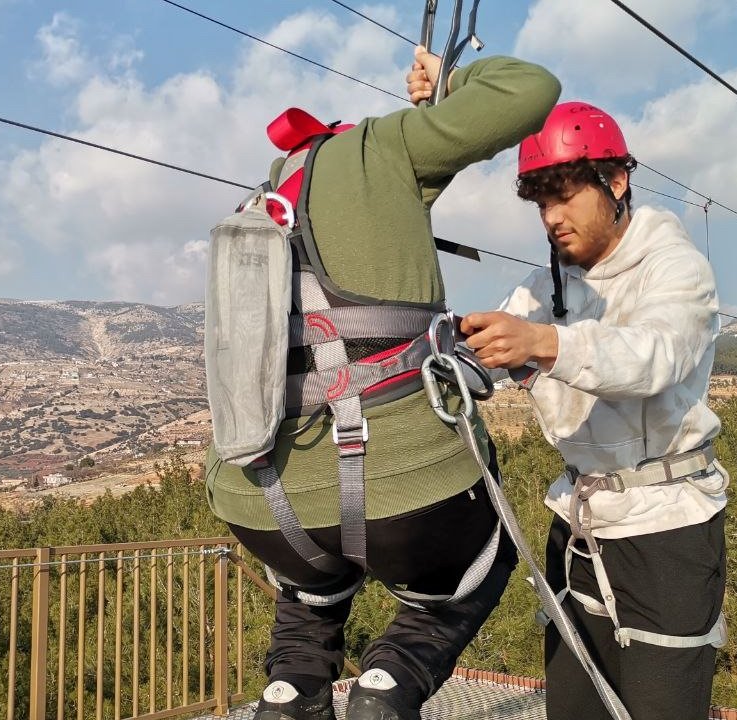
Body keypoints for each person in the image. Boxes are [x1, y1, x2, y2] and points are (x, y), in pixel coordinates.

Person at [205, 48, 560, 720]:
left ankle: (290, 693)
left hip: (260, 500)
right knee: (476, 568)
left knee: (312, 592)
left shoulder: (266, 200)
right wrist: (451, 86)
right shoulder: (384, 144)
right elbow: (528, 87)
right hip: (406, 491)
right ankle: (390, 683)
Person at [460, 101, 729, 720]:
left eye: (565, 197)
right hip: (580, 523)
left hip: (666, 531)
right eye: (541, 204)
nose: (552, 219)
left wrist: (544, 343)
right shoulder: (544, 285)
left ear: (615, 182)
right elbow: (498, 349)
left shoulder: (676, 270)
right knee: (574, 711)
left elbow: (653, 356)